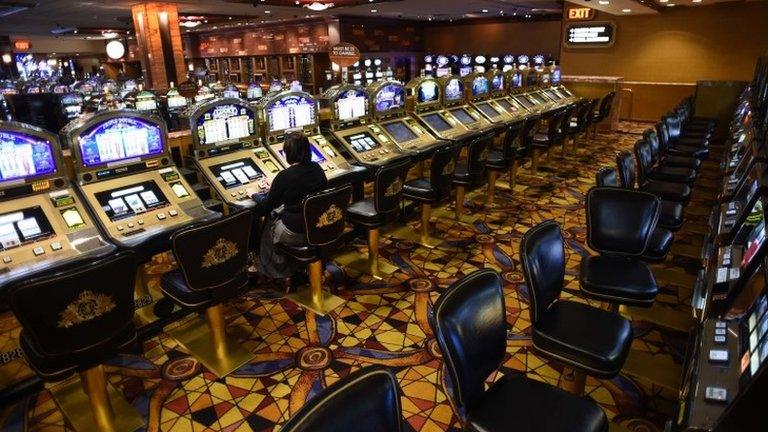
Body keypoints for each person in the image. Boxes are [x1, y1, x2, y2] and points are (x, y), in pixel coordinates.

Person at [247, 132, 328, 284]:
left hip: (295, 232)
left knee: (269, 220)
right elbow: (298, 188)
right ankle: (294, 265)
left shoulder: (285, 176)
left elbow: (266, 205)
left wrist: (253, 194)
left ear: (288, 153)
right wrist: (275, 185)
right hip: (318, 226)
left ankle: (269, 268)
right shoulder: (317, 168)